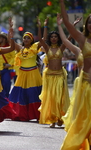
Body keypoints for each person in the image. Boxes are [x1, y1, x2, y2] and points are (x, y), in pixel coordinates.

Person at [60, 0, 91, 149]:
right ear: (87, 25)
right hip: (86, 85)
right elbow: (67, 23)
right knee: (84, 119)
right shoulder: (82, 40)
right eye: (90, 22)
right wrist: (61, 2)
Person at [37, 17, 70, 128]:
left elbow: (68, 38)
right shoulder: (47, 48)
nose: (54, 38)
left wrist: (72, 26)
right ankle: (52, 119)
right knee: (51, 98)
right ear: (50, 39)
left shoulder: (61, 48)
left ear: (58, 38)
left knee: (59, 98)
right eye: (52, 37)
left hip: (60, 75)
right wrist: (42, 26)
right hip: (50, 76)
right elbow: (42, 40)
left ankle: (60, 118)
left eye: (56, 36)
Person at [8, 30, 42, 121]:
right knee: (20, 93)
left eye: (28, 38)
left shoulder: (35, 48)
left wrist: (42, 27)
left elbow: (43, 40)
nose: (26, 39)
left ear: (31, 40)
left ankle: (37, 114)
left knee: (33, 93)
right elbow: (12, 43)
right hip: (22, 74)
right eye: (25, 38)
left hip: (33, 74)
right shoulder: (20, 49)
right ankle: (21, 114)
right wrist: (10, 34)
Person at [0, 32, 16, 98]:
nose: (0, 39)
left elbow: (14, 57)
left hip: (6, 70)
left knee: (6, 85)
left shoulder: (9, 48)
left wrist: (9, 64)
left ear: (5, 39)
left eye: (2, 37)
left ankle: (6, 102)